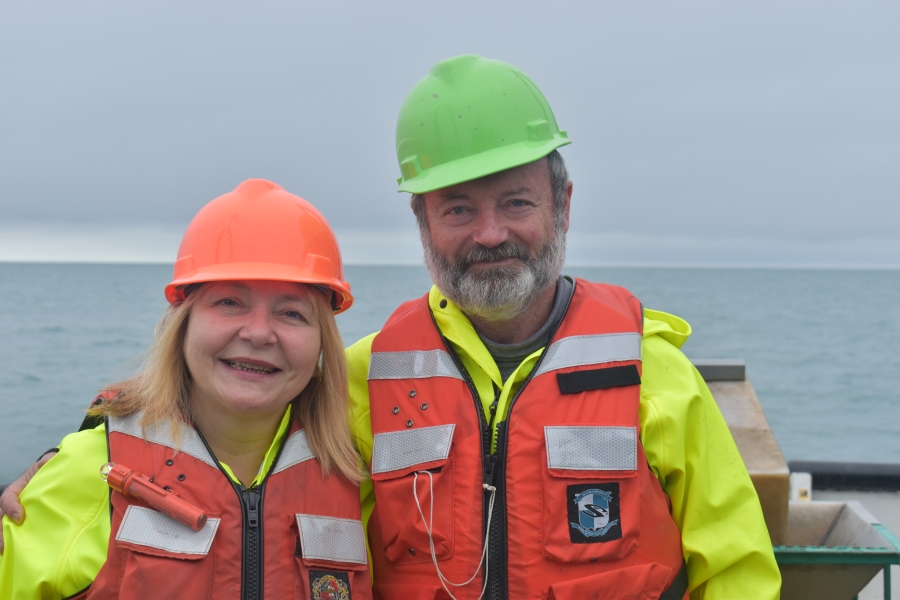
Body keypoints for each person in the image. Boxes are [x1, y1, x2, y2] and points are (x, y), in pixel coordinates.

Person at [3, 55, 782, 599]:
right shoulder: (363, 377)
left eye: (515, 202)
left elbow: (739, 568)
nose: (489, 234)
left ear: (563, 206)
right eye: (457, 209)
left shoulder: (653, 373)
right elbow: (232, 451)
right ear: (421, 221)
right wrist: (71, 455)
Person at [0, 179, 373, 599]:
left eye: (292, 313)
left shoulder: (359, 475)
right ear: (183, 324)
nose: (258, 333)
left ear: (323, 341)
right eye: (229, 302)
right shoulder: (90, 467)